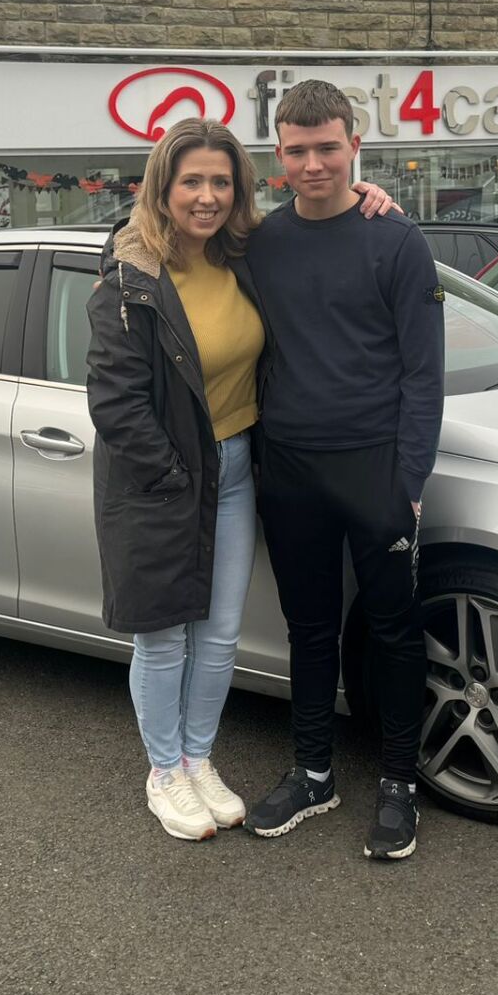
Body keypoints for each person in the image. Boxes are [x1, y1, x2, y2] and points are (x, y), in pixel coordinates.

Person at [85, 117, 394, 841]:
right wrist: (170, 473)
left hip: (233, 467)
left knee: (219, 635)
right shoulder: (130, 278)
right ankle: (164, 772)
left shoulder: (244, 255)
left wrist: (370, 196)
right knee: (164, 639)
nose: (207, 196)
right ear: (162, 187)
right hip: (162, 476)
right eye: (191, 180)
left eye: (221, 181)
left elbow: (324, 228)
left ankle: (199, 758)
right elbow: (115, 402)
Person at [243, 80, 446, 862]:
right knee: (310, 629)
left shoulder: (396, 241)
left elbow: (424, 373)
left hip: (375, 470)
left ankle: (399, 783)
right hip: (289, 466)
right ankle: (315, 771)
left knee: (394, 630)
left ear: (354, 147)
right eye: (297, 151)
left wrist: (412, 481)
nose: (313, 163)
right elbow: (166, 235)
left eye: (328, 147)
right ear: (278, 157)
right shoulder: (261, 242)